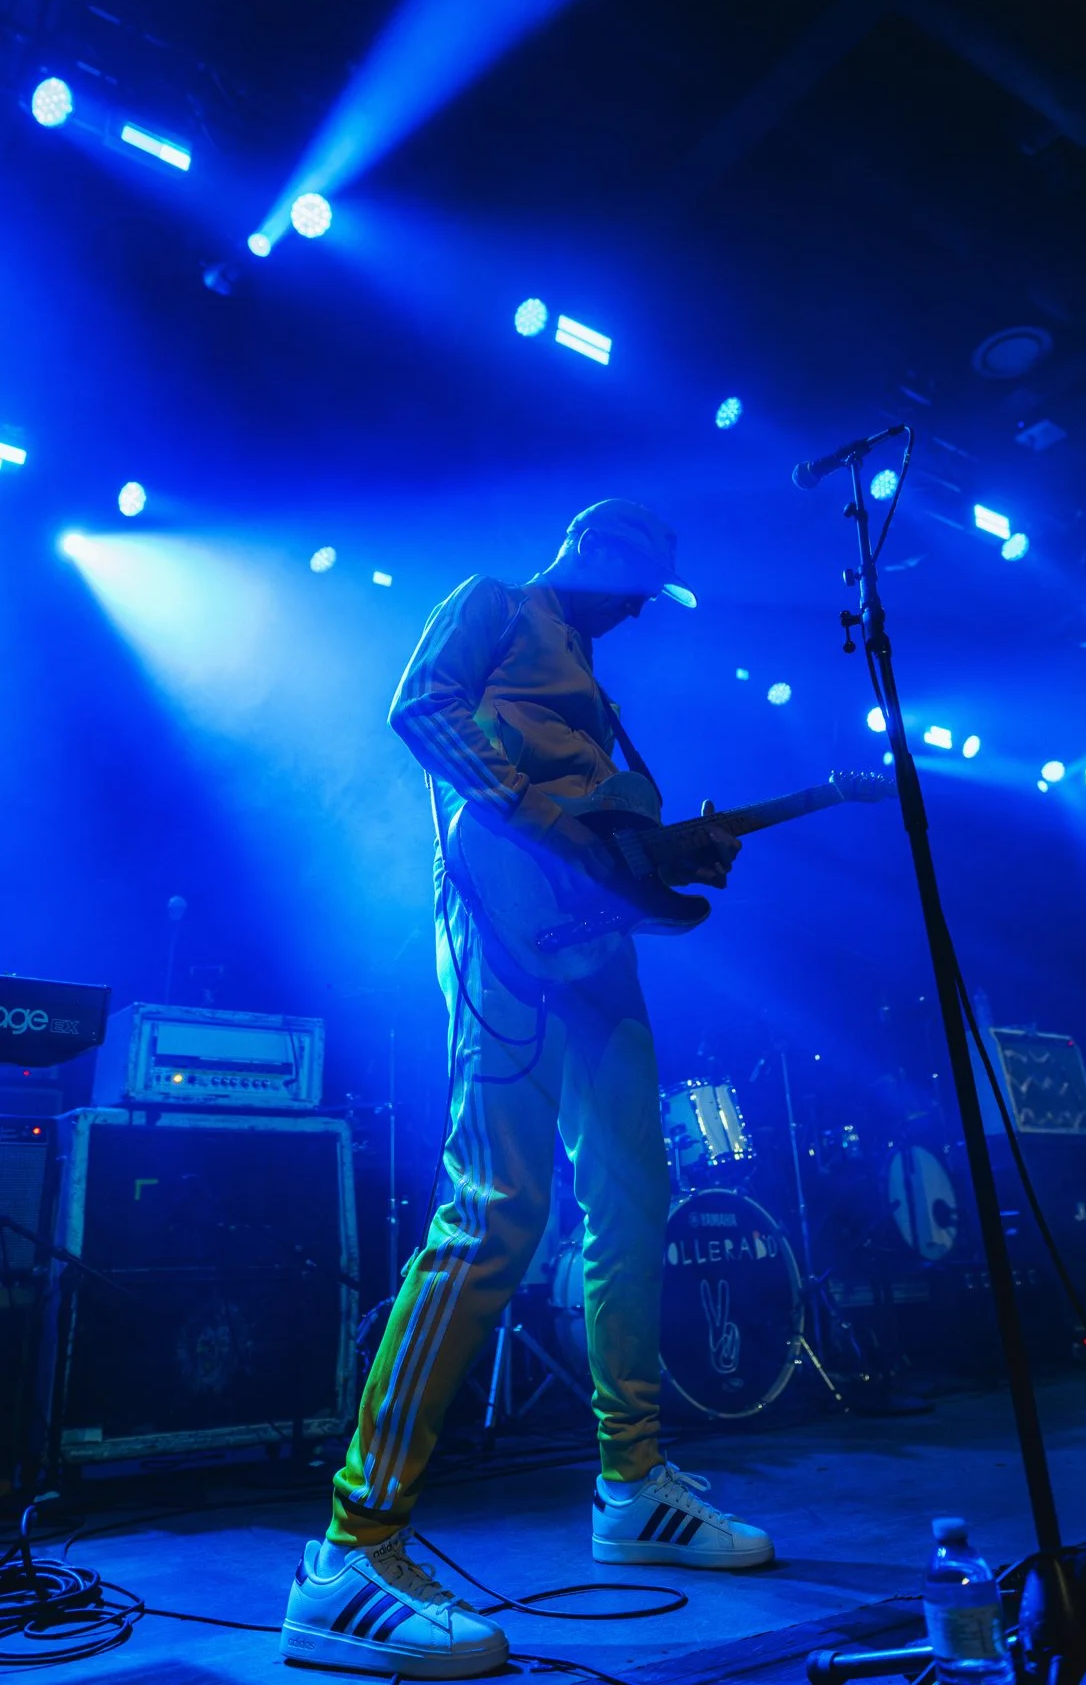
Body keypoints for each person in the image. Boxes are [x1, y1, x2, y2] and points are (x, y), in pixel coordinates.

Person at [282, 500, 773, 1679]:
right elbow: (419, 709)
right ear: (596, 556)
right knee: (494, 1212)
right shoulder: (495, 602)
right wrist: (549, 818)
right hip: (504, 930)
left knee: (633, 1207)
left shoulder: (601, 690)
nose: (644, 610)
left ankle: (631, 1482)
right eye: (637, 585)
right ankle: (351, 1546)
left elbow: (609, 830)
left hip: (599, 956)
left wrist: (669, 857)